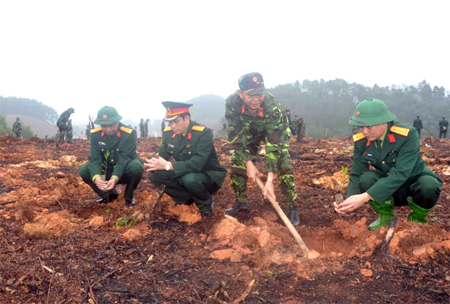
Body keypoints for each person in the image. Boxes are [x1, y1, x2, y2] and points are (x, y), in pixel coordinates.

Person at [334, 99, 442, 230]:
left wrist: (364, 197)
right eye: (360, 127)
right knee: (366, 178)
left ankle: (417, 220)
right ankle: (386, 216)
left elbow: (401, 174)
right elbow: (357, 172)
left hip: (413, 184)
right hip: (386, 188)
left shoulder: (407, 135)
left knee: (428, 185)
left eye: (368, 126)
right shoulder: (361, 140)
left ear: (383, 121)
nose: (364, 131)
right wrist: (349, 201)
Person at [224, 72, 301, 225]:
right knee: (237, 162)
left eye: (260, 94)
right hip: (248, 132)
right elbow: (235, 138)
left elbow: (274, 145)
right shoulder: (232, 103)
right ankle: (241, 202)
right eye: (251, 95)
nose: (256, 99)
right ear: (241, 94)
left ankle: (293, 207)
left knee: (283, 163)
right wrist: (248, 163)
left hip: (274, 132)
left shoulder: (272, 107)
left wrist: (270, 179)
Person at [145, 101, 227, 219]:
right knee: (154, 174)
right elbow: (162, 153)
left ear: (186, 118)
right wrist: (149, 162)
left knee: (189, 179)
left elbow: (196, 164)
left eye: (176, 121)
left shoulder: (203, 133)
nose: (172, 126)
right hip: (184, 172)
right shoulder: (169, 133)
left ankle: (206, 206)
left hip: (207, 175)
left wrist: (168, 165)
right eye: (170, 122)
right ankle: (186, 199)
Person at [79, 106, 143, 207]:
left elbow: (124, 158)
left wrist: (114, 178)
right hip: (107, 170)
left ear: (117, 121)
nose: (108, 129)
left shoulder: (129, 134)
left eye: (111, 125)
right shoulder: (96, 135)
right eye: (104, 126)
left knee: (136, 166)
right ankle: (109, 196)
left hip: (124, 170)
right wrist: (96, 178)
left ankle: (128, 197)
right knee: (84, 170)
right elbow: (95, 158)